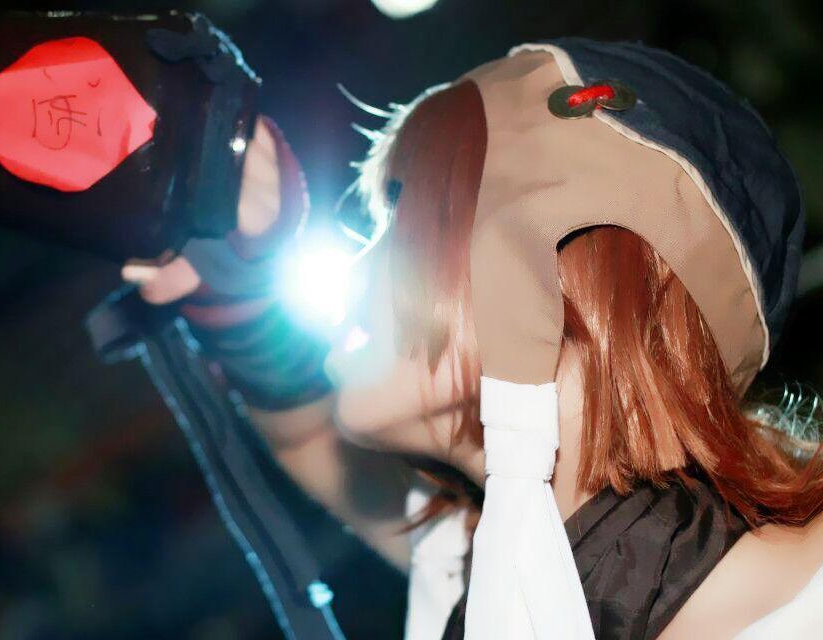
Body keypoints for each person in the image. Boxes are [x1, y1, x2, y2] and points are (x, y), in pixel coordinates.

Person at [122, 39, 823, 639]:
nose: (362, 261)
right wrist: (239, 286)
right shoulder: (477, 570)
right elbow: (307, 432)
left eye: (404, 207)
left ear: (561, 244)